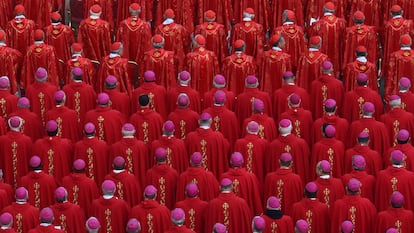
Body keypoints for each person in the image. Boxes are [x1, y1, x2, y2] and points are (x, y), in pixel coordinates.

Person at [185, 112, 230, 179]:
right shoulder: (218, 136)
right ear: (211, 121)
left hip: (193, 178)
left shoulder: (190, 137)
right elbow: (227, 147)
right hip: (213, 176)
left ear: (199, 121)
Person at [110, 123, 150, 188]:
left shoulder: (115, 147)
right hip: (139, 182)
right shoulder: (142, 146)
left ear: (122, 132)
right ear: (134, 131)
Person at [0, 116, 32, 188]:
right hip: (23, 173)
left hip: (6, 173)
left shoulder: (2, 140)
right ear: (20, 125)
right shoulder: (27, 140)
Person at [116, 3, 152, 67]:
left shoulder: (123, 24)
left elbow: (118, 41)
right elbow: (148, 44)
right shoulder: (144, 25)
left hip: (126, 58)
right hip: (140, 59)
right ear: (139, 11)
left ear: (129, 11)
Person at [234, 121, 268, 185]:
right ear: (258, 130)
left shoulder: (239, 143)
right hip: (259, 176)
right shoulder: (264, 143)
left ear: (247, 129)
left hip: (243, 179)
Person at [44, 12, 75, 79]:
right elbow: (71, 42)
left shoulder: (47, 30)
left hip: (51, 56)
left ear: (51, 20)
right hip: (64, 55)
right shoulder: (66, 29)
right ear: (60, 19)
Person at [386, 34, 414, 99]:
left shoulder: (394, 55)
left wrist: (388, 94)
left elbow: (390, 75)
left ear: (400, 43)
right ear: (410, 43)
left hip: (397, 94)